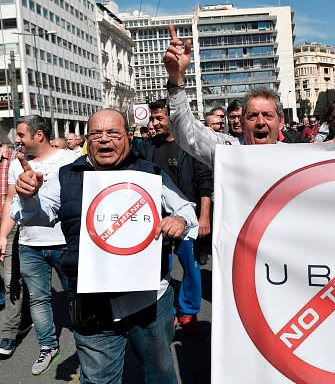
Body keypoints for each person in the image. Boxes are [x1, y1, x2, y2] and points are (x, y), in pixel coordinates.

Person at [12, 108, 197, 383]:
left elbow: (186, 209)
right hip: (91, 304)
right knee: (99, 380)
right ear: (88, 139)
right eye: (96, 134)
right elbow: (34, 214)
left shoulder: (150, 174)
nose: (104, 139)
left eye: (113, 133)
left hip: (149, 301)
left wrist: (179, 219)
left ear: (129, 137)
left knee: (160, 374)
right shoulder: (66, 176)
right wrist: (29, 196)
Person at [1, 116, 77, 374]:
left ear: (39, 135)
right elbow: (10, 201)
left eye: (21, 135)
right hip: (28, 246)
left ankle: (88, 344)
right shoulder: (16, 163)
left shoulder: (68, 160)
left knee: (75, 296)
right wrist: (2, 236)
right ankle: (48, 347)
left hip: (64, 243)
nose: (16, 140)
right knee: (38, 299)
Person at [136, 99, 210, 334]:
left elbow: (204, 184)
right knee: (159, 268)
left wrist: (204, 217)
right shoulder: (146, 148)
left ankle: (188, 311)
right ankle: (163, 310)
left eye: (160, 118)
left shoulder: (190, 146)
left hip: (188, 221)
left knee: (191, 268)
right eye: (152, 118)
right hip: (156, 222)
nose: (154, 123)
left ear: (172, 120)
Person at [163, 24, 283, 166]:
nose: (261, 122)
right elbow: (187, 133)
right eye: (253, 116)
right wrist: (176, 80)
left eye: (268, 115)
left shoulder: (297, 157)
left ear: (280, 122)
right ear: (243, 123)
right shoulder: (226, 151)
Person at [0, 142, 24, 359]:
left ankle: (8, 333)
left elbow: (12, 197)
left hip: (10, 224)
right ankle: (24, 316)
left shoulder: (16, 158)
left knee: (11, 280)